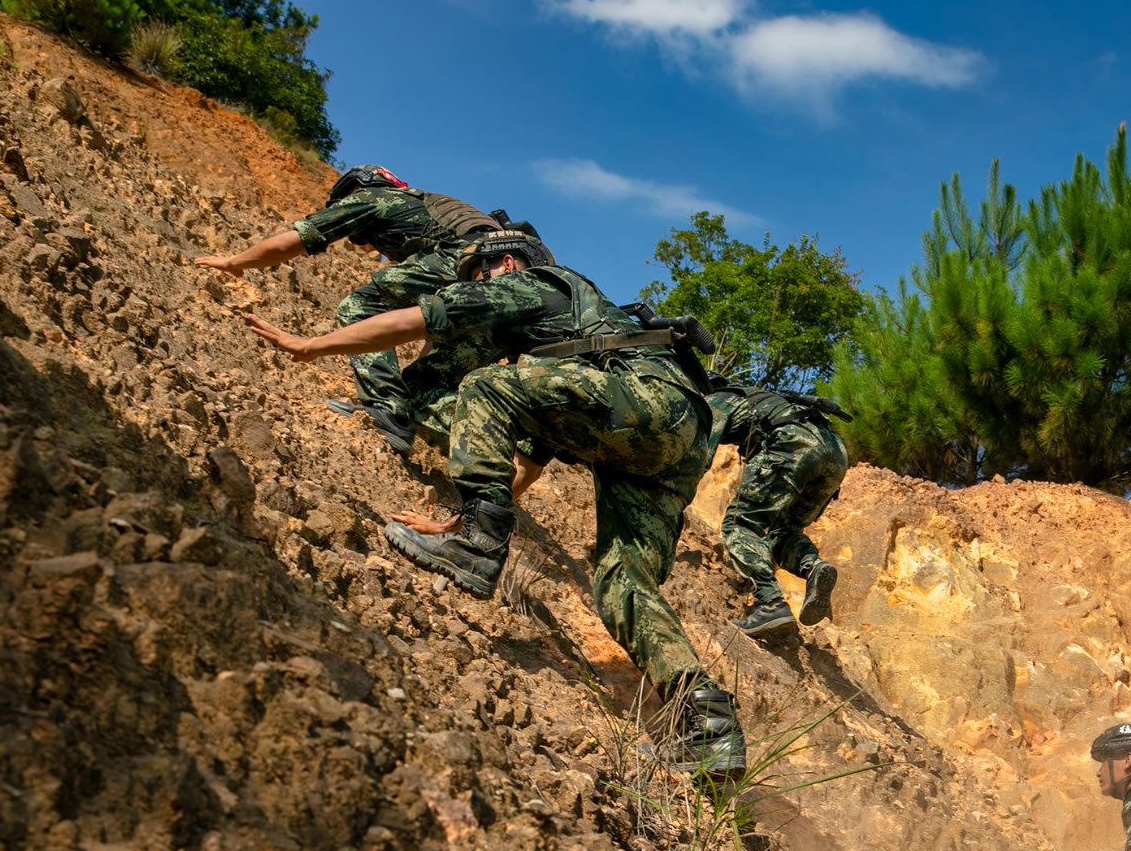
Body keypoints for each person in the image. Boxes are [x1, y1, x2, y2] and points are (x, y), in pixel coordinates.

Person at [242, 228, 746, 777]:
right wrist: (454, 520)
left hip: (647, 403)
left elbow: (420, 319)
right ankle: (708, 725)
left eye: (477, 275)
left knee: (484, 383)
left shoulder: (533, 283)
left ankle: (478, 545)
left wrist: (310, 346)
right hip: (680, 437)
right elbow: (522, 466)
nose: (475, 286)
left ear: (503, 262)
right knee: (623, 584)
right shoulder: (575, 345)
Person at [196, 164, 504, 455]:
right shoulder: (429, 212)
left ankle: (387, 408)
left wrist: (233, 262)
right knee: (421, 390)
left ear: (356, 188)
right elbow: (438, 321)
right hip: (512, 289)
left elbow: (294, 241)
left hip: (473, 258)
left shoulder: (371, 198)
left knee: (361, 307)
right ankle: (504, 436)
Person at [706, 382, 849, 638]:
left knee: (741, 523)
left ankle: (770, 602)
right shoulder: (767, 400)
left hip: (794, 442)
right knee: (784, 531)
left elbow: (700, 446)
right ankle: (812, 567)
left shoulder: (718, 398)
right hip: (835, 452)